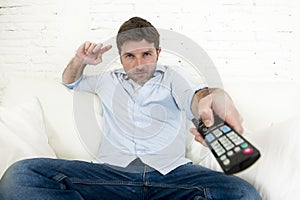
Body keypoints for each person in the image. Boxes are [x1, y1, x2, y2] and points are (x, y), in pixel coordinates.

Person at [0, 16, 261, 200]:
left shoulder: (173, 77)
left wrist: (212, 96)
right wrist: (80, 60)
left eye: (146, 54)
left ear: (158, 53)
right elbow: (70, 81)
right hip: (109, 175)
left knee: (244, 194)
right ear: (120, 57)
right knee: (20, 176)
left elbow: (196, 97)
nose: (138, 64)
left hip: (172, 176)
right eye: (130, 56)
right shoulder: (106, 80)